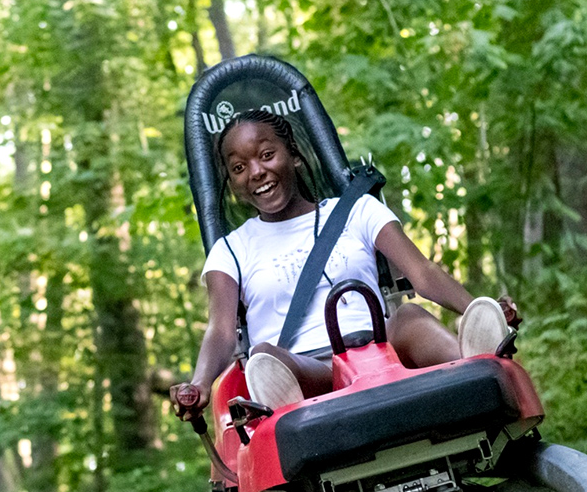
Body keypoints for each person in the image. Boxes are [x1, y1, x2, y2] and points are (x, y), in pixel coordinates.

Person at [169, 108, 520, 421]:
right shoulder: (231, 250)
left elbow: (423, 273)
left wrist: (479, 308)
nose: (257, 172)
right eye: (239, 168)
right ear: (232, 183)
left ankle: (475, 358)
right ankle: (290, 415)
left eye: (266, 154)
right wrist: (200, 383)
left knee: (411, 316)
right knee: (264, 356)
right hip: (307, 370)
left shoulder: (357, 211)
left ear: (294, 156)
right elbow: (221, 330)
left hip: (383, 349)